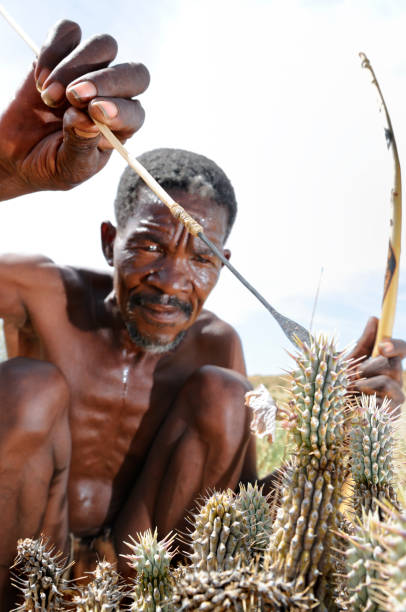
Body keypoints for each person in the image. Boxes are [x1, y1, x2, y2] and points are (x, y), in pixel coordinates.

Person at [0, 18, 404, 609]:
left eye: (202, 258)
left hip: (139, 588)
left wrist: (334, 437)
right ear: (110, 240)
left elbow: (240, 513)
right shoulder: (40, 291)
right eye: (149, 247)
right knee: (28, 387)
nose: (172, 282)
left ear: (225, 264)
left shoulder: (216, 348)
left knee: (221, 394)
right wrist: (8, 170)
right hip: (20, 574)